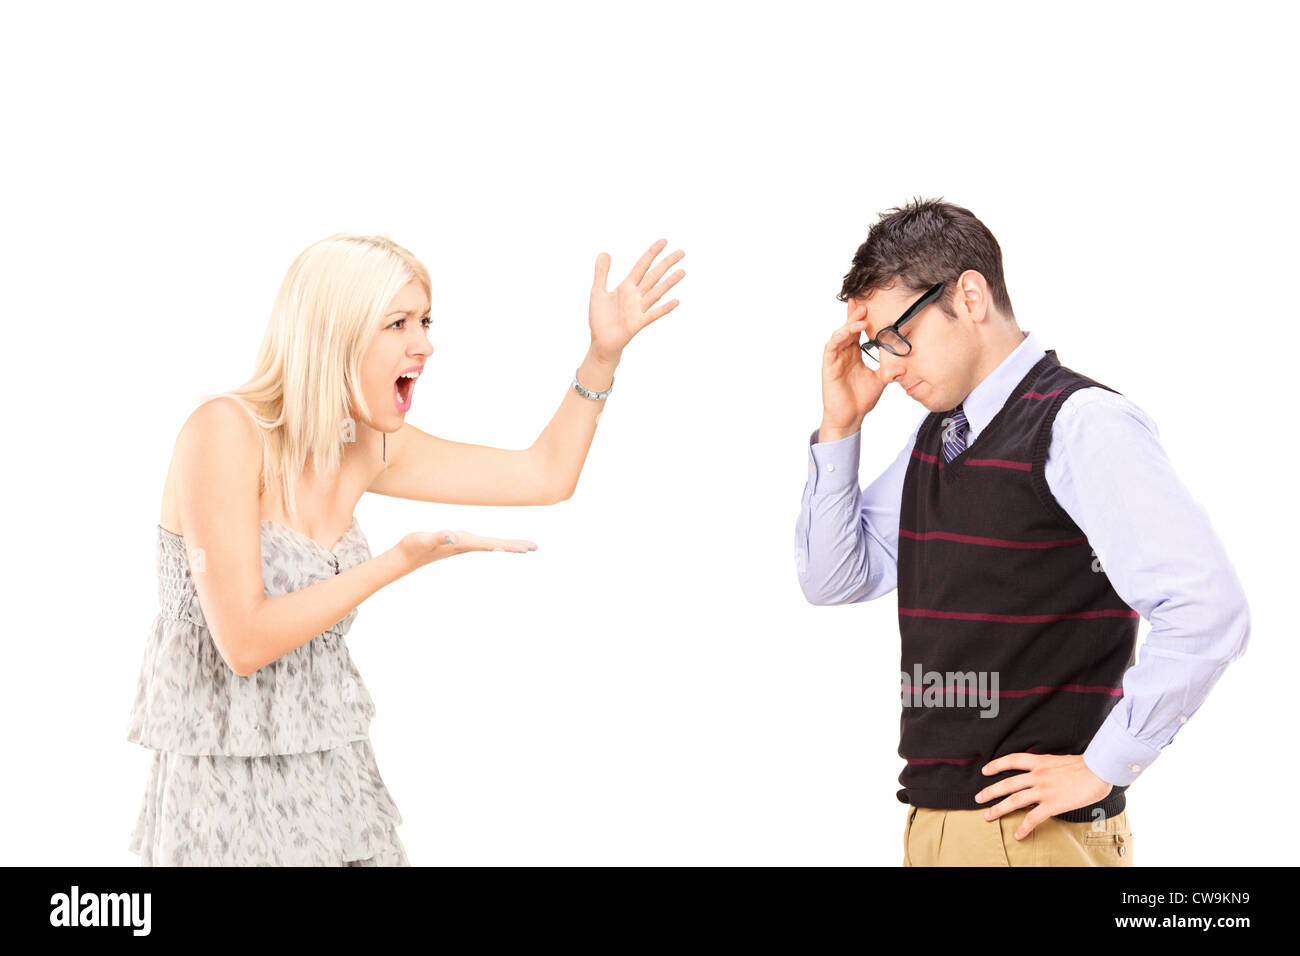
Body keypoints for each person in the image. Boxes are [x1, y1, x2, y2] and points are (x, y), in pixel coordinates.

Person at [126, 232, 685, 865]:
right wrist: (397, 562)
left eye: (424, 320)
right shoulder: (224, 431)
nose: (424, 344)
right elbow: (244, 642)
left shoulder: (367, 443)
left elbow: (545, 475)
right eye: (398, 323)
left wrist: (601, 358)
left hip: (331, 778)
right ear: (335, 333)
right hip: (223, 791)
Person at [794, 198, 1249, 866]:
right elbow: (833, 578)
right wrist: (840, 426)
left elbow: (1208, 608)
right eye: (876, 344)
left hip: (1031, 836)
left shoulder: (1080, 425)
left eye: (899, 336)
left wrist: (1107, 763)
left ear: (970, 296)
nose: (888, 366)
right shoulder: (941, 439)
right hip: (941, 826)